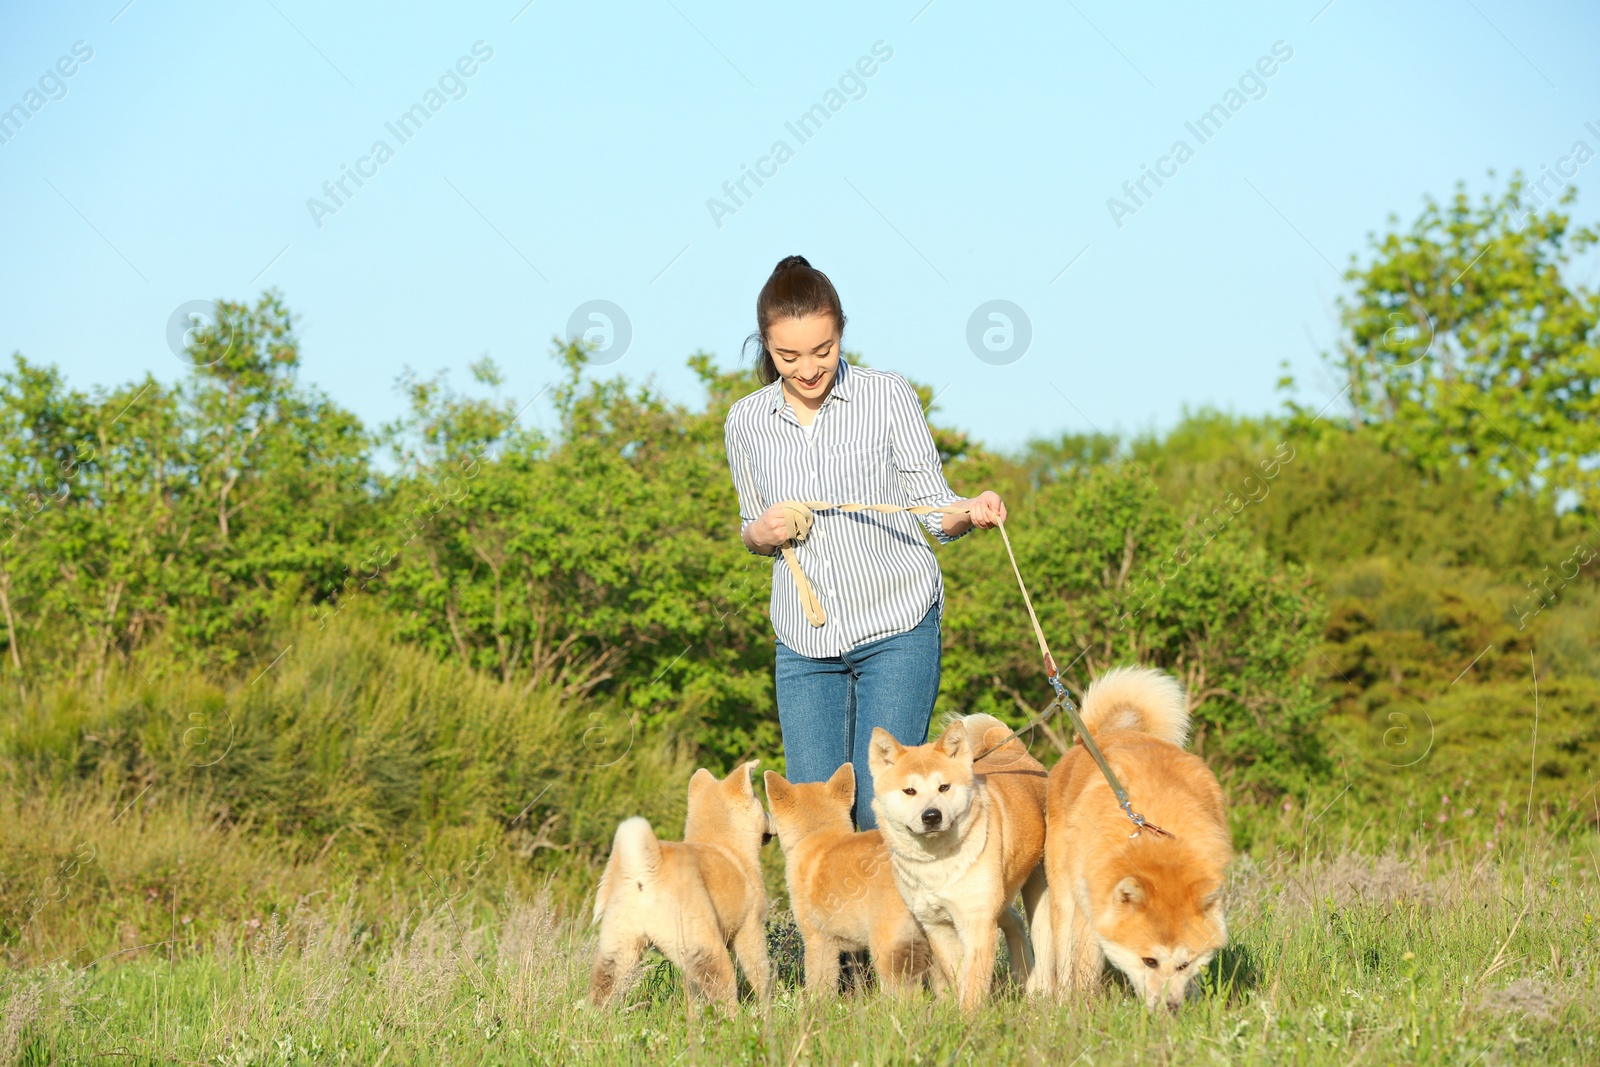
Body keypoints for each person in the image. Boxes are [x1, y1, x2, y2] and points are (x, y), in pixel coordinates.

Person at [723, 255, 1006, 828]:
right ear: (767, 348)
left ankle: (897, 920)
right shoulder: (745, 421)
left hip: (895, 627)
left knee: (886, 816)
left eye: (822, 351)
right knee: (818, 822)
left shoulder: (888, 396)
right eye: (788, 356)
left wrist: (969, 511)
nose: (807, 369)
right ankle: (826, 924)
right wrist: (761, 532)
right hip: (805, 643)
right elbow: (751, 527)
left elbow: (933, 509)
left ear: (841, 333)